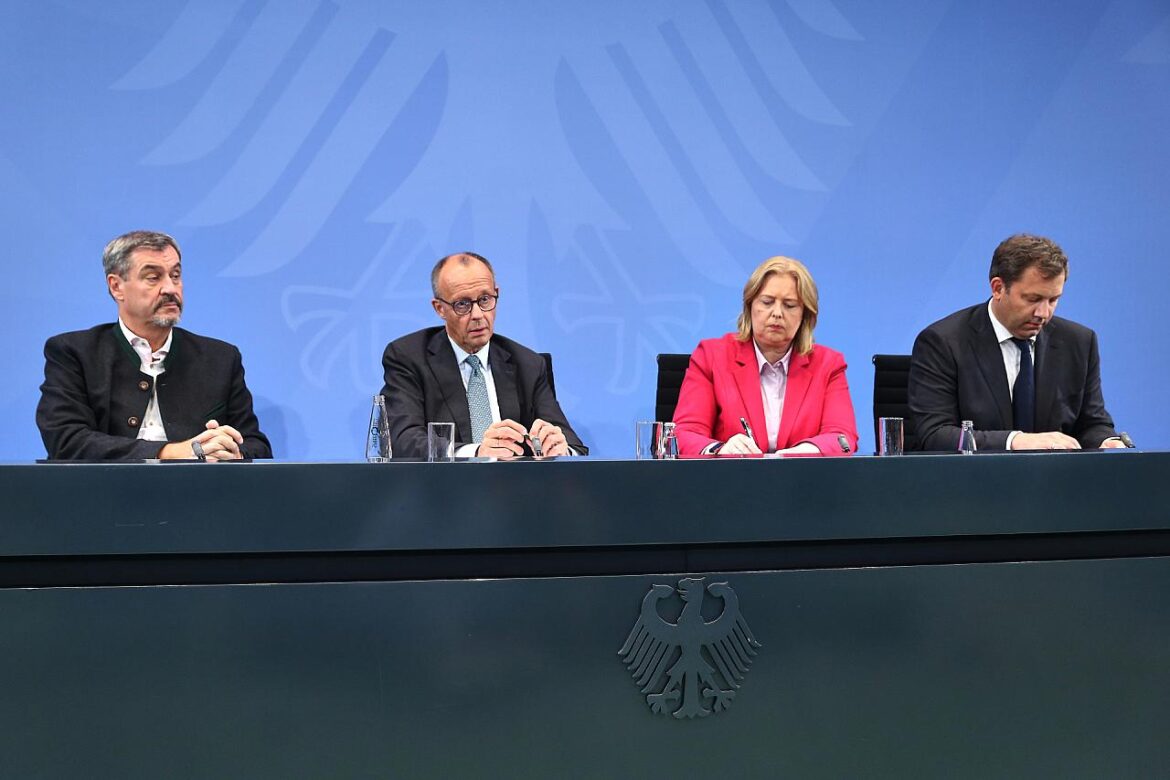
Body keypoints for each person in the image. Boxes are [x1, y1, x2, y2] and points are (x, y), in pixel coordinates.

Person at [36, 230, 272, 461]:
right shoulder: (75, 353)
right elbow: (66, 440)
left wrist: (233, 452)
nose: (170, 288)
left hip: (197, 486)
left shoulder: (220, 359)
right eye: (153, 277)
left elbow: (256, 445)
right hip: (105, 486)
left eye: (175, 275)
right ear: (116, 286)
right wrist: (172, 452)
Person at [908, 233, 1123, 451]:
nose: (1043, 313)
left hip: (1055, 473)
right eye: (1033, 299)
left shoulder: (1078, 342)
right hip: (977, 472)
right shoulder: (943, 342)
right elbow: (935, 434)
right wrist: (1015, 441)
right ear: (998, 288)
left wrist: (1107, 441)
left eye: (1053, 300)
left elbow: (1092, 423)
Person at [380, 252, 587, 458]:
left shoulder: (529, 365)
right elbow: (402, 440)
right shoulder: (408, 358)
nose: (478, 315)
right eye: (462, 304)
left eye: (485, 299)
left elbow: (574, 447)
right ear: (440, 308)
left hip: (514, 479)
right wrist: (477, 452)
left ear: (496, 293)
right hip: (444, 479)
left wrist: (562, 450)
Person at [673, 256, 859, 456]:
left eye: (789, 305)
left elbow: (841, 437)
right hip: (731, 474)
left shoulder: (828, 365)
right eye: (767, 302)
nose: (777, 313)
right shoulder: (711, 357)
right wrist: (721, 450)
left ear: (805, 314)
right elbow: (685, 433)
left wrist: (797, 455)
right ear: (750, 306)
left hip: (803, 475)